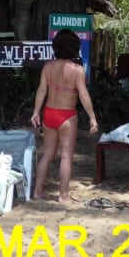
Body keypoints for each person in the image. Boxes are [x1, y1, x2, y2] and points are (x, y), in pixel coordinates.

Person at [30, 29, 98, 201]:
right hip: (67, 115)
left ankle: (37, 191)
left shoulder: (48, 66)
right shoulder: (77, 70)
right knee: (66, 156)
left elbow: (42, 90)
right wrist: (92, 117)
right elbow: (83, 95)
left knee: (47, 154)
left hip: (49, 113)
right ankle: (63, 195)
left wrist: (36, 112)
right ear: (75, 49)